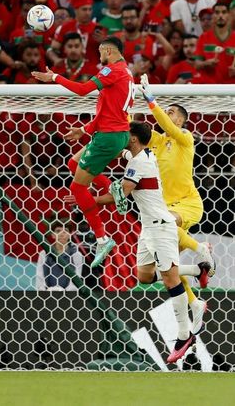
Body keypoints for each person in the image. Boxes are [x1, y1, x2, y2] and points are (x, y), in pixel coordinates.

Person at [95, 121, 199, 363]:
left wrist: (87, 199)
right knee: (144, 276)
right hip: (147, 228)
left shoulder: (140, 162)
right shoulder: (142, 153)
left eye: (125, 135)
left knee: (171, 280)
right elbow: (121, 150)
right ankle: (197, 269)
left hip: (161, 226)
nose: (122, 138)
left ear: (132, 139)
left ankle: (184, 335)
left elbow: (120, 193)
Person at [31, 36, 135, 268]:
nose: (99, 57)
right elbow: (110, 110)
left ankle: (101, 238)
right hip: (113, 134)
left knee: (77, 187)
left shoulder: (112, 70)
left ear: (109, 50)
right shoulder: (126, 74)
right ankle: (112, 189)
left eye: (100, 52)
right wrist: (84, 130)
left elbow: (82, 90)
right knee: (72, 164)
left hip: (108, 138)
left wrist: (55, 77)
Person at [138, 73, 215, 332]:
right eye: (164, 111)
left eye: (170, 112)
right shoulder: (158, 142)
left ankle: (200, 248)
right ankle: (195, 300)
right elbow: (135, 132)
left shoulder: (185, 137)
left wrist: (151, 102)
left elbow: (168, 127)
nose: (165, 115)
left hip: (187, 205)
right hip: (162, 210)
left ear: (180, 118)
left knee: (167, 226)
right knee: (153, 272)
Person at [194, 2, 235, 84]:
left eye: (224, 12)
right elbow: (196, 65)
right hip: (210, 89)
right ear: (212, 16)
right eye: (217, 12)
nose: (220, 16)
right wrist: (206, 63)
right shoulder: (203, 37)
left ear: (229, 15)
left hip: (231, 89)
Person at [36, 221, 84, 290]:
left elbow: (77, 279)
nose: (62, 234)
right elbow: (39, 277)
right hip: (47, 295)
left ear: (70, 235)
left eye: (65, 231)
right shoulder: (44, 253)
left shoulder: (76, 254)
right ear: (52, 235)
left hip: (70, 296)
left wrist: (64, 292)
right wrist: (47, 290)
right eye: (58, 231)